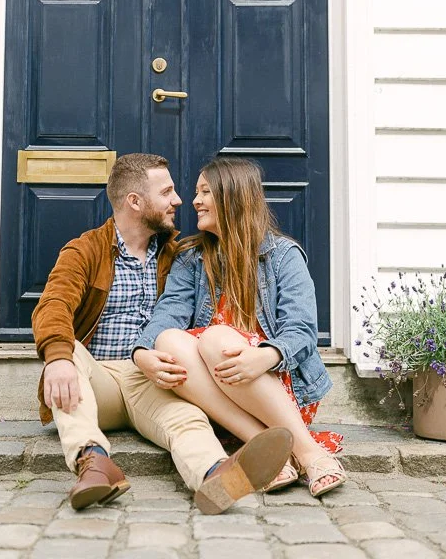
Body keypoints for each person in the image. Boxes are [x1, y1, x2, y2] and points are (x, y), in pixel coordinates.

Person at [32, 152, 293, 514]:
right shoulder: (85, 250)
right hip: (99, 379)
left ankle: (215, 476)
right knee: (68, 354)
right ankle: (93, 463)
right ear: (135, 202)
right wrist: (58, 358)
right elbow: (53, 306)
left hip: (152, 379)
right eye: (167, 192)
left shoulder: (179, 255)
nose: (179, 200)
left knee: (188, 418)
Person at [132, 156, 348, 498]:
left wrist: (265, 357)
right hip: (223, 403)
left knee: (216, 337)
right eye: (197, 192)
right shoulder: (191, 259)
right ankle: (264, 447)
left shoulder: (283, 256)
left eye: (205, 192)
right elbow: (168, 313)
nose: (195, 201)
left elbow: (302, 330)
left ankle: (307, 452)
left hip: (279, 390)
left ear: (232, 196)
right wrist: (142, 352)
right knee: (168, 340)